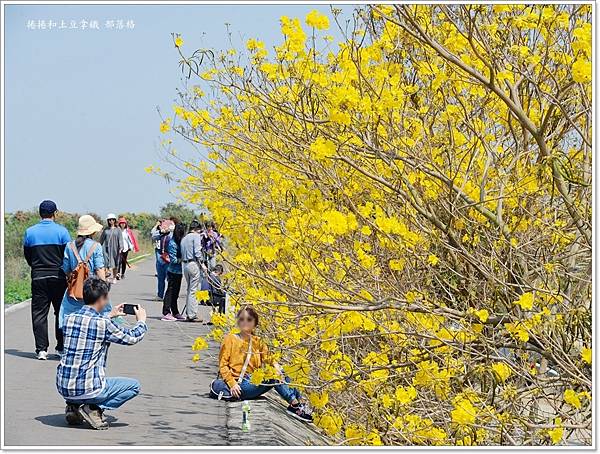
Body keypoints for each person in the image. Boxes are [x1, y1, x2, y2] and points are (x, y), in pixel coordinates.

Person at [57, 277, 147, 430]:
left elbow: (88, 325)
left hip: (63, 386)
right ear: (102, 299)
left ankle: (73, 406)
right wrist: (141, 321)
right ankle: (92, 408)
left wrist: (110, 315)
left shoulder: (69, 319)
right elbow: (131, 338)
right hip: (89, 388)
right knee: (134, 386)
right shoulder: (104, 324)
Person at [213, 306, 313, 422]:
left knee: (285, 370)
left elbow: (269, 358)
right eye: (241, 319)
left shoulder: (258, 342)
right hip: (239, 385)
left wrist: (276, 366)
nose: (245, 322)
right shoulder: (230, 339)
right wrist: (232, 384)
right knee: (272, 375)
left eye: (249, 319)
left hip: (252, 381)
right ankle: (294, 405)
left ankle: (299, 402)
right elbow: (223, 365)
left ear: (255, 323)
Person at [23, 200, 71, 360]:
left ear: (40, 213)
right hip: (58, 276)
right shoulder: (62, 232)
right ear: (55, 213)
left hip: (38, 276)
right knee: (60, 312)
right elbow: (68, 255)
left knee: (39, 313)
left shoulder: (30, 232)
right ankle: (61, 347)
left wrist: (36, 266)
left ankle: (41, 349)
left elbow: (28, 256)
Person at [60, 215, 111, 327]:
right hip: (92, 289)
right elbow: (99, 269)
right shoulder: (95, 246)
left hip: (75, 290)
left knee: (70, 317)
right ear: (92, 232)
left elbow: (66, 269)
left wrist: (75, 278)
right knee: (98, 318)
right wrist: (104, 288)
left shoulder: (70, 246)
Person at [180, 220, 204, 322]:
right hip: (193, 264)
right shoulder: (196, 236)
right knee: (194, 290)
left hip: (185, 265)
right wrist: (202, 263)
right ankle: (192, 314)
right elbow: (197, 251)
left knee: (189, 289)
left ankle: (189, 313)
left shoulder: (184, 238)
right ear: (197, 229)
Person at [161, 223, 186, 321]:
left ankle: (175, 312)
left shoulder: (181, 242)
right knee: (170, 292)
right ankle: (166, 312)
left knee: (176, 293)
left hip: (179, 272)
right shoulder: (172, 243)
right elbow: (173, 260)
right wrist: (183, 259)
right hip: (172, 271)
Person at [151, 219, 173, 301]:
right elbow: (152, 234)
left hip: (169, 260)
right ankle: (160, 295)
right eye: (162, 226)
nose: (163, 227)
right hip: (160, 259)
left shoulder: (171, 235)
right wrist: (160, 230)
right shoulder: (159, 235)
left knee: (170, 279)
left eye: (165, 226)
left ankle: (169, 296)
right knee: (160, 279)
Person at [99, 214, 123, 284]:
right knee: (106, 263)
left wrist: (121, 247)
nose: (111, 221)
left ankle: (114, 277)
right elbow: (101, 239)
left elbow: (120, 239)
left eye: (112, 219)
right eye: (109, 220)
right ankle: (106, 277)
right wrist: (98, 247)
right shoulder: (106, 229)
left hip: (115, 248)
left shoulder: (118, 230)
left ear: (115, 220)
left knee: (115, 263)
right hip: (106, 249)